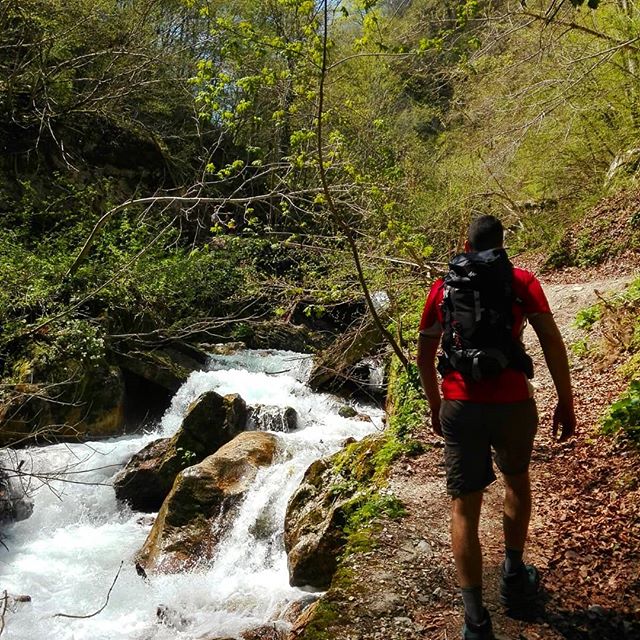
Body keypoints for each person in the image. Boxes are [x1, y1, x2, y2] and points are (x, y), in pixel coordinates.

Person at [416, 215, 576, 640]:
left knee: (464, 509)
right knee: (517, 480)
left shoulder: (443, 287)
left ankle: (474, 621)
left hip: (460, 405)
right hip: (513, 403)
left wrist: (436, 404)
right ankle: (512, 574)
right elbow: (551, 341)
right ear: (502, 244)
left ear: (464, 245)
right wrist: (565, 399)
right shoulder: (521, 281)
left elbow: (424, 353)